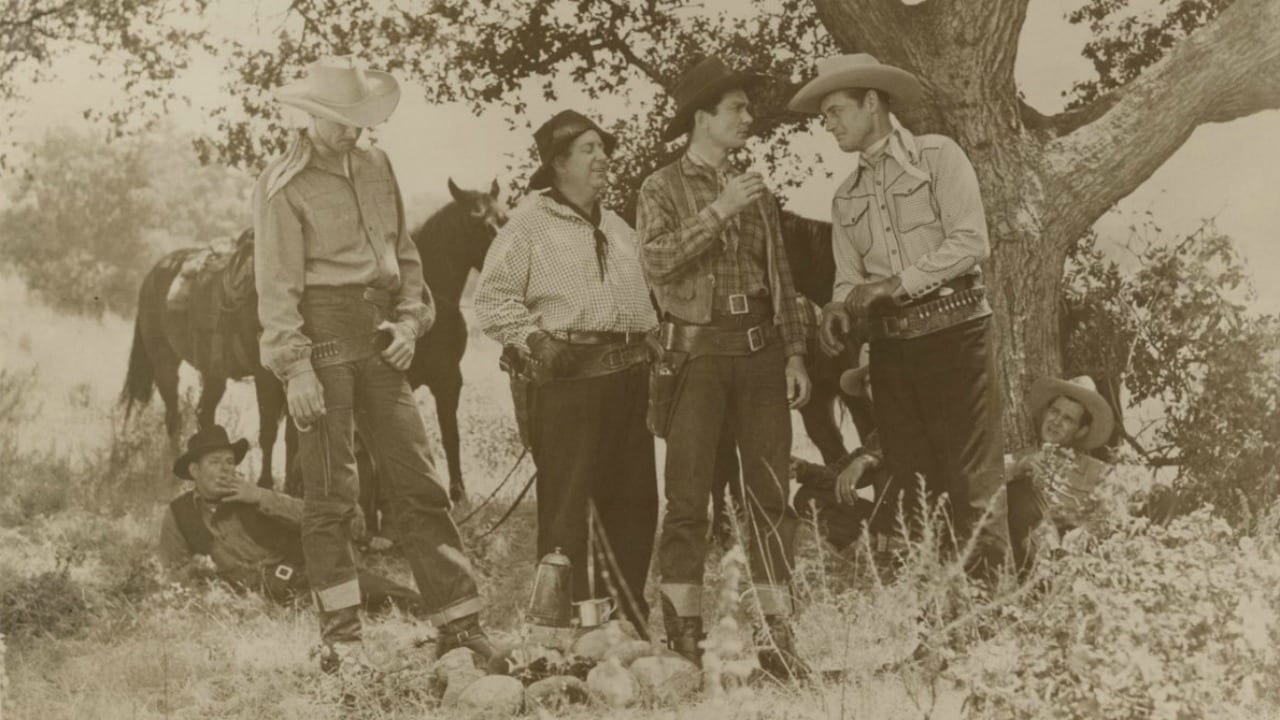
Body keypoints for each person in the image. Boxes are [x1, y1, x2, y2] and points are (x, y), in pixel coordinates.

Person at [252, 57, 494, 674]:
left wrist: (412, 322)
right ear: (308, 115)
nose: (350, 131)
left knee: (420, 482)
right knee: (332, 497)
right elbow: (276, 288)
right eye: (337, 121)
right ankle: (341, 642)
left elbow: (405, 258)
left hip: (383, 340)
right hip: (322, 344)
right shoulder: (282, 184)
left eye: (357, 119)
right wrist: (295, 368)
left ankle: (460, 625)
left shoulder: (377, 165)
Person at [789, 54, 1009, 576]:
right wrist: (836, 308)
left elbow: (971, 241)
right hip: (891, 353)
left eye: (837, 110)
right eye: (824, 117)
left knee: (972, 482)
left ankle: (996, 621)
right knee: (912, 487)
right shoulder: (845, 198)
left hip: (957, 337)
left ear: (872, 102)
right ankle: (929, 618)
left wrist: (896, 283)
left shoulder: (938, 158)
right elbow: (847, 277)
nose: (830, 124)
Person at [637, 56, 813, 680]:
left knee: (770, 495)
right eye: (736, 108)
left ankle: (775, 637)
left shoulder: (756, 191)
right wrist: (720, 210)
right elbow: (655, 262)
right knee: (687, 499)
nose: (748, 117)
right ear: (701, 118)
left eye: (747, 107)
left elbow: (783, 277)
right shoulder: (660, 187)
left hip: (761, 350)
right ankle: (685, 638)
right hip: (697, 354)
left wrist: (794, 352)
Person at [474, 110, 659, 633]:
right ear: (558, 163)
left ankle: (625, 623)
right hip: (569, 382)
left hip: (629, 381)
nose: (603, 159)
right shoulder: (528, 224)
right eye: (588, 151)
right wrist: (534, 339)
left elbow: (646, 302)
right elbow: (491, 300)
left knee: (637, 502)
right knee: (567, 509)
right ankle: (563, 631)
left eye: (604, 149)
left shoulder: (619, 225)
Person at [158, 425, 424, 614]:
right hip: (249, 600)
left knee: (376, 595)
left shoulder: (253, 496)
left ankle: (432, 615)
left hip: (302, 580)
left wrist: (261, 496)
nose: (226, 469)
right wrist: (211, 591)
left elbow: (317, 518)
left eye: (230, 462)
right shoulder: (179, 514)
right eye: (215, 462)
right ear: (194, 471)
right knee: (337, 611)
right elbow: (174, 573)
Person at [1006, 375, 1115, 573]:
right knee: (1019, 492)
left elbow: (1115, 510)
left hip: (1077, 561)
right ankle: (1052, 569)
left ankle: (1058, 569)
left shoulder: (1098, 471)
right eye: (1054, 411)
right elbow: (984, 476)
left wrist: (1085, 531)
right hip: (1026, 563)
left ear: (1081, 431)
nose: (1056, 421)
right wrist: (1020, 466)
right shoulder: (1022, 458)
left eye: (1068, 419)